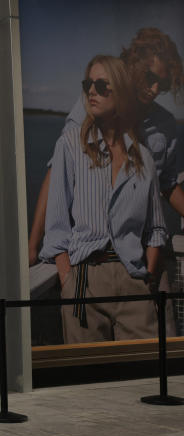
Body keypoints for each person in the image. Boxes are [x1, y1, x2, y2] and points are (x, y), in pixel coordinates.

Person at [39, 55, 167, 343]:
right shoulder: (70, 146)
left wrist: (146, 277)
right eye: (88, 85)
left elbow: (156, 229)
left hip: (134, 281)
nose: (91, 91)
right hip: (85, 284)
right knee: (88, 382)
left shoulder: (143, 157)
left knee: (143, 375)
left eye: (101, 85)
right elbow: (57, 228)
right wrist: (68, 282)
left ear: (120, 91)